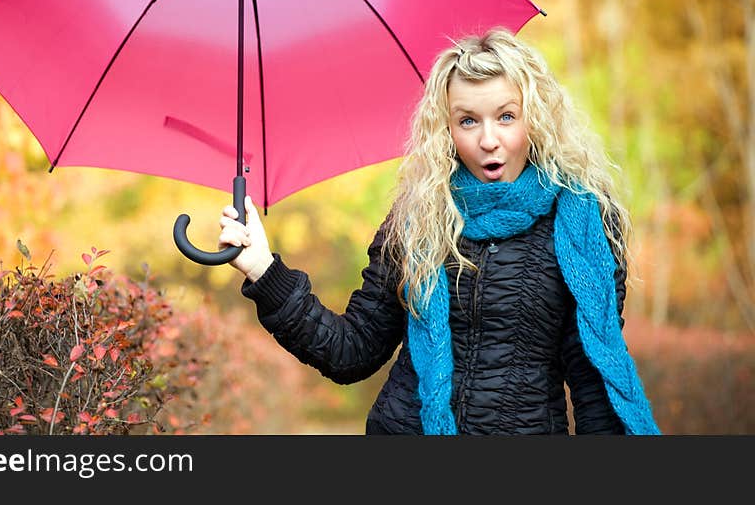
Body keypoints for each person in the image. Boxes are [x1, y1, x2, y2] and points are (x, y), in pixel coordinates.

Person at [217, 27, 660, 435]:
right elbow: (351, 351)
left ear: (535, 118)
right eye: (468, 120)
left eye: (506, 116)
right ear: (447, 129)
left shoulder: (582, 223)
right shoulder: (417, 219)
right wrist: (263, 270)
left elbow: (593, 383)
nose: (489, 139)